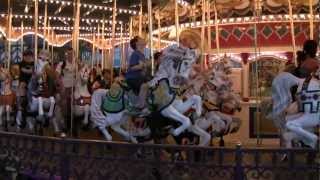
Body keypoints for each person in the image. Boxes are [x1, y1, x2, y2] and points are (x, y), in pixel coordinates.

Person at [60, 47, 76, 134]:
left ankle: (74, 124)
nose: (70, 55)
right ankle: (65, 124)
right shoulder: (62, 64)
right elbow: (57, 74)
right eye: (68, 54)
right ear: (66, 55)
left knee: (74, 106)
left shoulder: (76, 64)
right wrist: (61, 85)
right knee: (65, 106)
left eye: (71, 54)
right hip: (65, 87)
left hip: (74, 87)